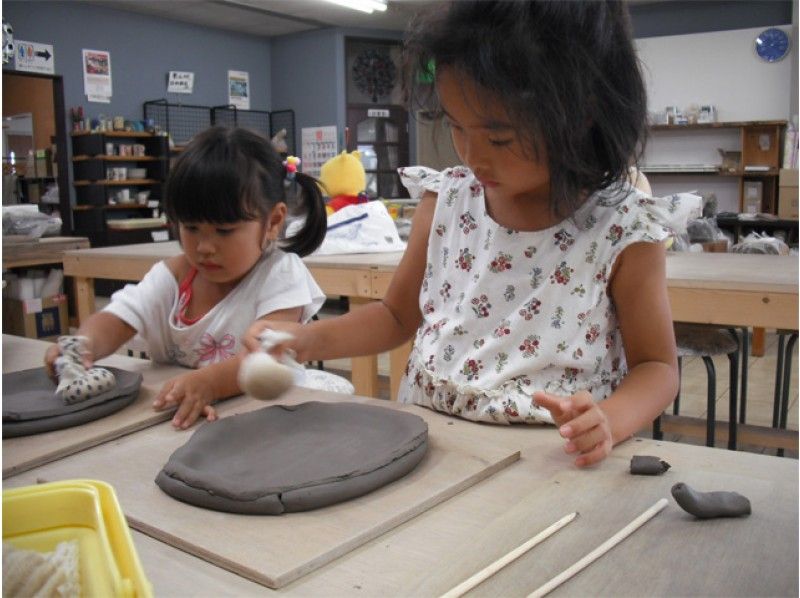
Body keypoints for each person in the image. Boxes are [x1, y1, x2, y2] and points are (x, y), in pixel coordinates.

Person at [247, 0, 690, 467]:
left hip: (547, 458)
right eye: (458, 126)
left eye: (498, 138)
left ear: (582, 114)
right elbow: (396, 316)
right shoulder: (447, 200)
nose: (473, 155)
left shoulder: (623, 228)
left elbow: (657, 367)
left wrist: (609, 420)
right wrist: (305, 339)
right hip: (428, 442)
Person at [45, 127, 327, 429]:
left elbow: (267, 355)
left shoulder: (280, 273)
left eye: (224, 231)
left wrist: (211, 383)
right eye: (191, 228)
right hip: (184, 423)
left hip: (273, 420)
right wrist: (82, 346)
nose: (204, 247)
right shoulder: (174, 276)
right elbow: (118, 318)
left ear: (272, 222)